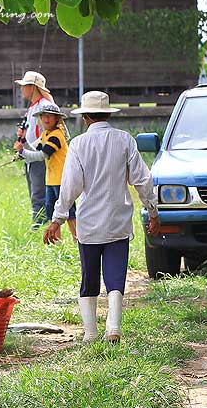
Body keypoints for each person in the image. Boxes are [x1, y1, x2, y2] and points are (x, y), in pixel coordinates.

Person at [44, 91, 160, 343]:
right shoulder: (125, 140)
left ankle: (90, 332)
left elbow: (70, 186)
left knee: (89, 276)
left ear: (85, 117)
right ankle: (114, 327)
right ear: (108, 114)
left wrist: (57, 219)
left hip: (89, 223)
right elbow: (142, 179)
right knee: (116, 275)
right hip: (118, 220)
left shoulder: (78, 145)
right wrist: (152, 210)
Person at [15, 101, 76, 241]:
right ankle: (56, 243)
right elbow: (35, 149)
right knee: (52, 213)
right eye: (43, 116)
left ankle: (77, 240)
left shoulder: (57, 135)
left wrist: (22, 151)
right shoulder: (46, 134)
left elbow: (41, 155)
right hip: (50, 180)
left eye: (50, 116)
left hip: (62, 180)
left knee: (69, 212)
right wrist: (23, 141)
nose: (46, 119)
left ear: (57, 119)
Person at [14, 71, 54, 227]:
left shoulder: (46, 106)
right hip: (30, 156)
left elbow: (50, 134)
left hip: (40, 158)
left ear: (33, 87)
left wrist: (28, 149)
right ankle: (39, 226)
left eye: (24, 86)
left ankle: (40, 227)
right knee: (34, 194)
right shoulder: (32, 107)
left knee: (39, 195)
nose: (22, 89)